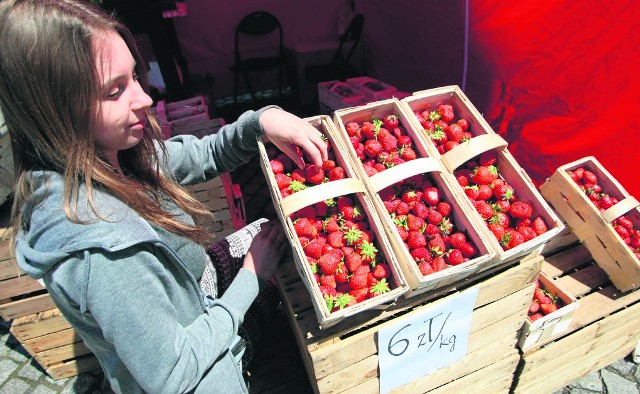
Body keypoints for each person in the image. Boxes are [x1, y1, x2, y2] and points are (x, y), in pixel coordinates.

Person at [0, 1, 327, 393]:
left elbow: (204, 154)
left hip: (195, 291)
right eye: (114, 90)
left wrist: (260, 121)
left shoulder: (114, 156)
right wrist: (250, 279)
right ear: (56, 111)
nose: (144, 99)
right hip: (202, 372)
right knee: (278, 276)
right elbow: (174, 375)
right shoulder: (105, 251)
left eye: (135, 76)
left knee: (273, 232)